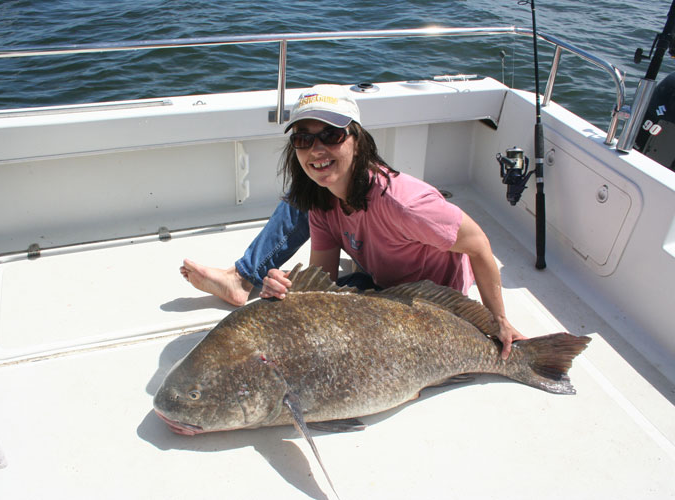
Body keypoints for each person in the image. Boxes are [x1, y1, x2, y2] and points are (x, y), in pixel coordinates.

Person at [182, 84, 526, 358]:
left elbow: (478, 244)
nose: (317, 150)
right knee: (284, 302)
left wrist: (498, 320)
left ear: (357, 141)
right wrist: (288, 287)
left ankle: (241, 279)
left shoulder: (404, 203)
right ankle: (245, 280)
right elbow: (325, 281)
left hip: (429, 302)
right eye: (303, 139)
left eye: (331, 135)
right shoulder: (322, 201)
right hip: (381, 285)